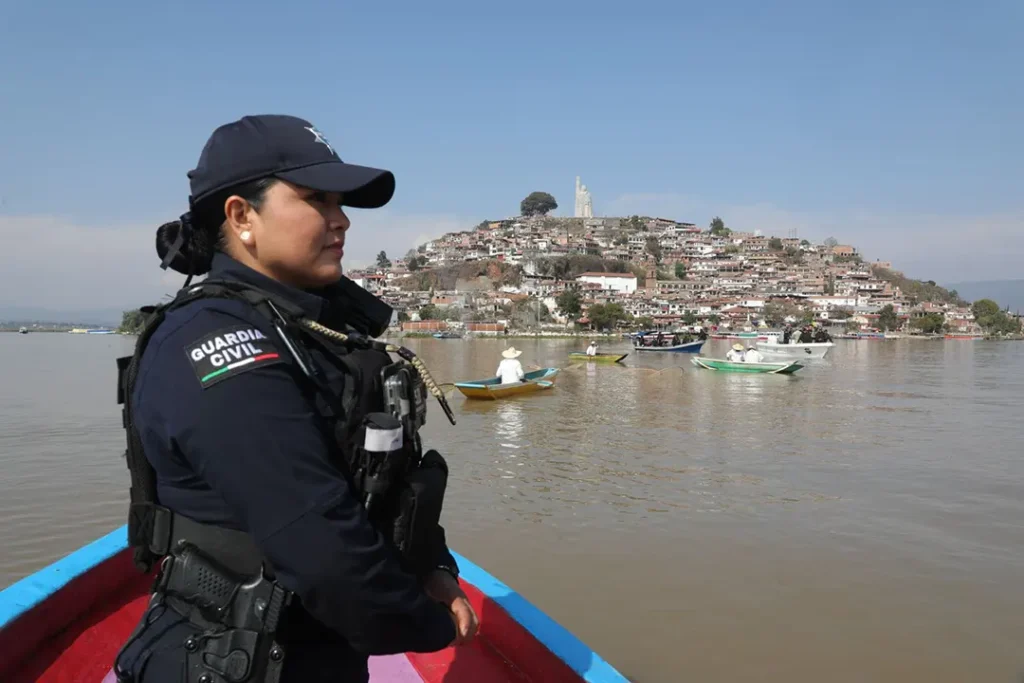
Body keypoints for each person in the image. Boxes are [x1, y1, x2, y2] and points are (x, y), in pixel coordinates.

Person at [112, 115, 477, 683]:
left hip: (310, 649)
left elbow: (374, 478)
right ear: (241, 216)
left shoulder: (307, 331)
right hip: (230, 659)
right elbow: (325, 549)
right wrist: (424, 626)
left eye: (340, 202)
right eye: (316, 200)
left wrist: (431, 563)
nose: (342, 221)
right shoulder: (218, 344)